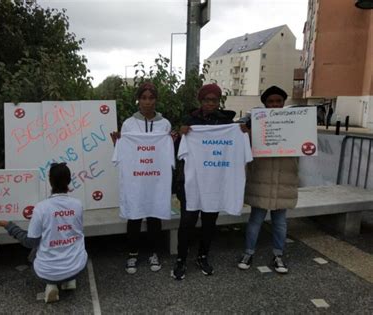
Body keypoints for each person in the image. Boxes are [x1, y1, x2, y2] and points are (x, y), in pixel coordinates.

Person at [172, 83, 248, 280]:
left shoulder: (228, 124)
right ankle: (181, 259)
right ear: (201, 101)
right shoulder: (190, 121)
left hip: (216, 183)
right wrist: (181, 135)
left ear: (219, 101)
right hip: (191, 183)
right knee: (186, 222)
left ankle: (203, 256)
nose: (210, 103)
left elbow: (243, 147)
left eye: (214, 100)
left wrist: (242, 132)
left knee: (209, 222)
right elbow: (179, 154)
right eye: (206, 100)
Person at [0, 163, 88, 303]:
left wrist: (8, 225)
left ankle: (51, 285)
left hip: (47, 272)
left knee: (35, 249)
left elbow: (30, 242)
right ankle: (69, 280)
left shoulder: (41, 208)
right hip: (77, 266)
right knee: (72, 240)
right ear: (69, 180)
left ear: (50, 181)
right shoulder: (77, 205)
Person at [237, 85, 299, 274]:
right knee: (256, 219)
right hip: (261, 178)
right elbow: (243, 145)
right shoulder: (254, 123)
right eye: (270, 101)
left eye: (278, 101)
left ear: (283, 103)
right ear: (264, 103)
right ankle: (248, 252)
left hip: (284, 178)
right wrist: (244, 130)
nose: (274, 104)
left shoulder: (295, 122)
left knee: (280, 222)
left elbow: (305, 146)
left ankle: (278, 255)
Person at [113, 82, 172, 274]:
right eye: (144, 97)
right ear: (138, 99)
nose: (147, 102)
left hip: (156, 180)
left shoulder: (165, 124)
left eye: (151, 97)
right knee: (134, 216)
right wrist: (118, 143)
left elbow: (166, 153)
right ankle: (133, 254)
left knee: (154, 216)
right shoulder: (129, 124)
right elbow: (123, 153)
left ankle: (153, 252)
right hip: (135, 180)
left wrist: (173, 141)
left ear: (156, 100)